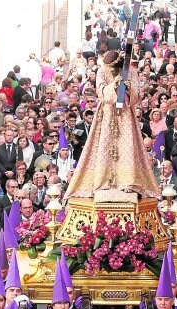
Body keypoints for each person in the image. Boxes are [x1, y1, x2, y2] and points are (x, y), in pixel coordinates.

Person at [64, 50, 159, 200]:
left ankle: (128, 182)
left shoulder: (131, 72)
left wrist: (128, 89)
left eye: (114, 68)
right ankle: (103, 181)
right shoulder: (102, 71)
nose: (112, 71)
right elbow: (101, 94)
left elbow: (137, 96)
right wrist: (113, 85)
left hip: (126, 114)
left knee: (127, 146)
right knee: (104, 145)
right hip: (107, 114)